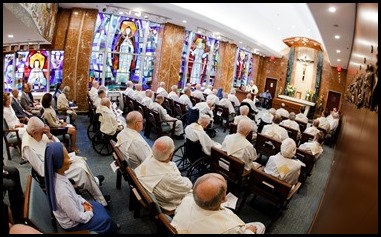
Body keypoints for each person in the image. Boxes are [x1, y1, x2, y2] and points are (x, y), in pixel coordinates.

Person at [22, 116, 109, 207]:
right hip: (52, 173)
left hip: (56, 163)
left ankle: (93, 183)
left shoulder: (39, 134)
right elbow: (42, 171)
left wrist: (50, 136)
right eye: (41, 133)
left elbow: (59, 145)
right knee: (80, 170)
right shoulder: (28, 147)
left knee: (80, 161)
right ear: (34, 133)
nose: (43, 135)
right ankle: (100, 201)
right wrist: (60, 163)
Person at [44, 142, 119, 234]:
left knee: (98, 205)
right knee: (105, 219)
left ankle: (111, 226)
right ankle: (111, 228)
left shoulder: (57, 175)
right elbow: (77, 217)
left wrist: (83, 202)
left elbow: (74, 195)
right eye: (67, 157)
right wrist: (89, 212)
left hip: (77, 209)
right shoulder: (62, 191)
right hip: (75, 224)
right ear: (59, 162)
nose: (70, 160)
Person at [171, 173, 266, 234]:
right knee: (260, 226)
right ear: (224, 199)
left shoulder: (186, 200)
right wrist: (250, 231)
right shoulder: (230, 228)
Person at [134, 136, 192, 212]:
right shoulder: (170, 177)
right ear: (170, 155)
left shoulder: (149, 157)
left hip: (150, 192)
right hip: (166, 204)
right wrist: (185, 179)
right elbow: (188, 186)